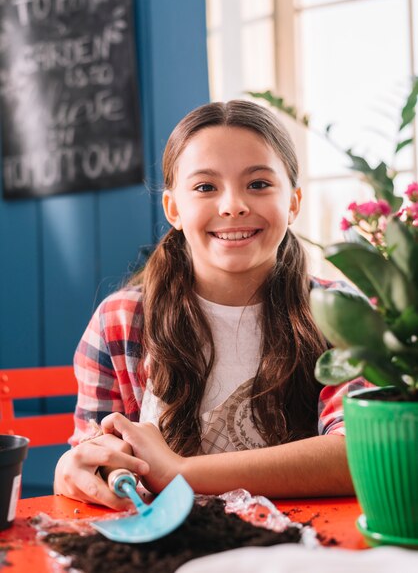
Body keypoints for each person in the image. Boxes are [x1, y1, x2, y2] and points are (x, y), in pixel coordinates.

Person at [54, 100, 369, 510]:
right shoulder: (121, 321)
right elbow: (95, 464)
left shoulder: (338, 312)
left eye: (258, 184)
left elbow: (362, 453)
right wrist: (79, 469)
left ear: (293, 202)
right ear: (173, 209)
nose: (232, 205)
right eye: (205, 187)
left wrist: (179, 472)